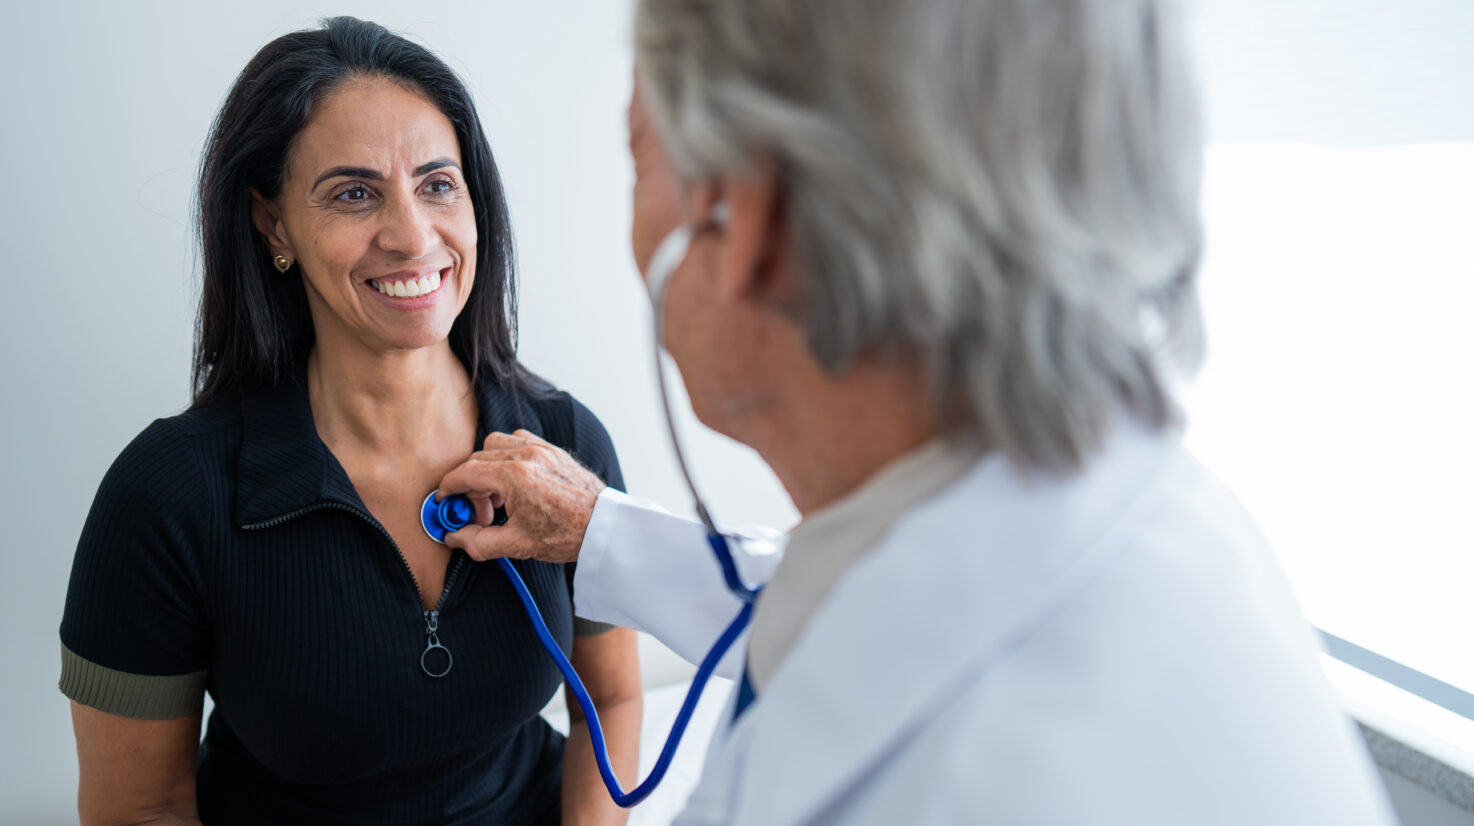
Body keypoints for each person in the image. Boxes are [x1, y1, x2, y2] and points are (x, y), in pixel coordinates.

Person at [435, 1, 1399, 823]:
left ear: (744, 217)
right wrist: (598, 531)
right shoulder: (1143, 527)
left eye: (638, 154)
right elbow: (865, 610)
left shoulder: (972, 783)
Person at [59, 17, 639, 826]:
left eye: (438, 184)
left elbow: (610, 700)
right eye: (354, 193)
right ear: (273, 224)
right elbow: (140, 808)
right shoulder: (164, 499)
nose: (412, 236)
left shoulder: (565, 444)